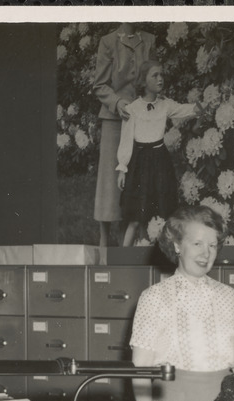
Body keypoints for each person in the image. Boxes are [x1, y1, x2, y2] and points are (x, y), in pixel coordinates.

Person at [129, 205, 234, 401]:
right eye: (197, 244)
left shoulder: (231, 297)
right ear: (177, 245)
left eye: (213, 245)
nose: (206, 253)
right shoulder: (154, 297)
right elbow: (140, 368)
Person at [117, 60, 199, 247]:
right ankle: (122, 260)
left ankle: (166, 256)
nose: (160, 79)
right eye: (155, 75)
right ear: (143, 81)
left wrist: (202, 108)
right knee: (136, 215)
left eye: (162, 75)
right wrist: (122, 168)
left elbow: (184, 110)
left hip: (160, 162)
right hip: (139, 165)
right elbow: (126, 140)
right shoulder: (132, 109)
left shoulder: (165, 105)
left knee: (164, 209)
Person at [91, 23, 156, 247]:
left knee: (136, 175)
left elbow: (153, 78)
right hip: (114, 119)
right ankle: (103, 240)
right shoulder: (108, 42)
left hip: (141, 118)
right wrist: (118, 103)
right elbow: (99, 85)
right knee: (109, 179)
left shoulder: (148, 40)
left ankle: (129, 238)